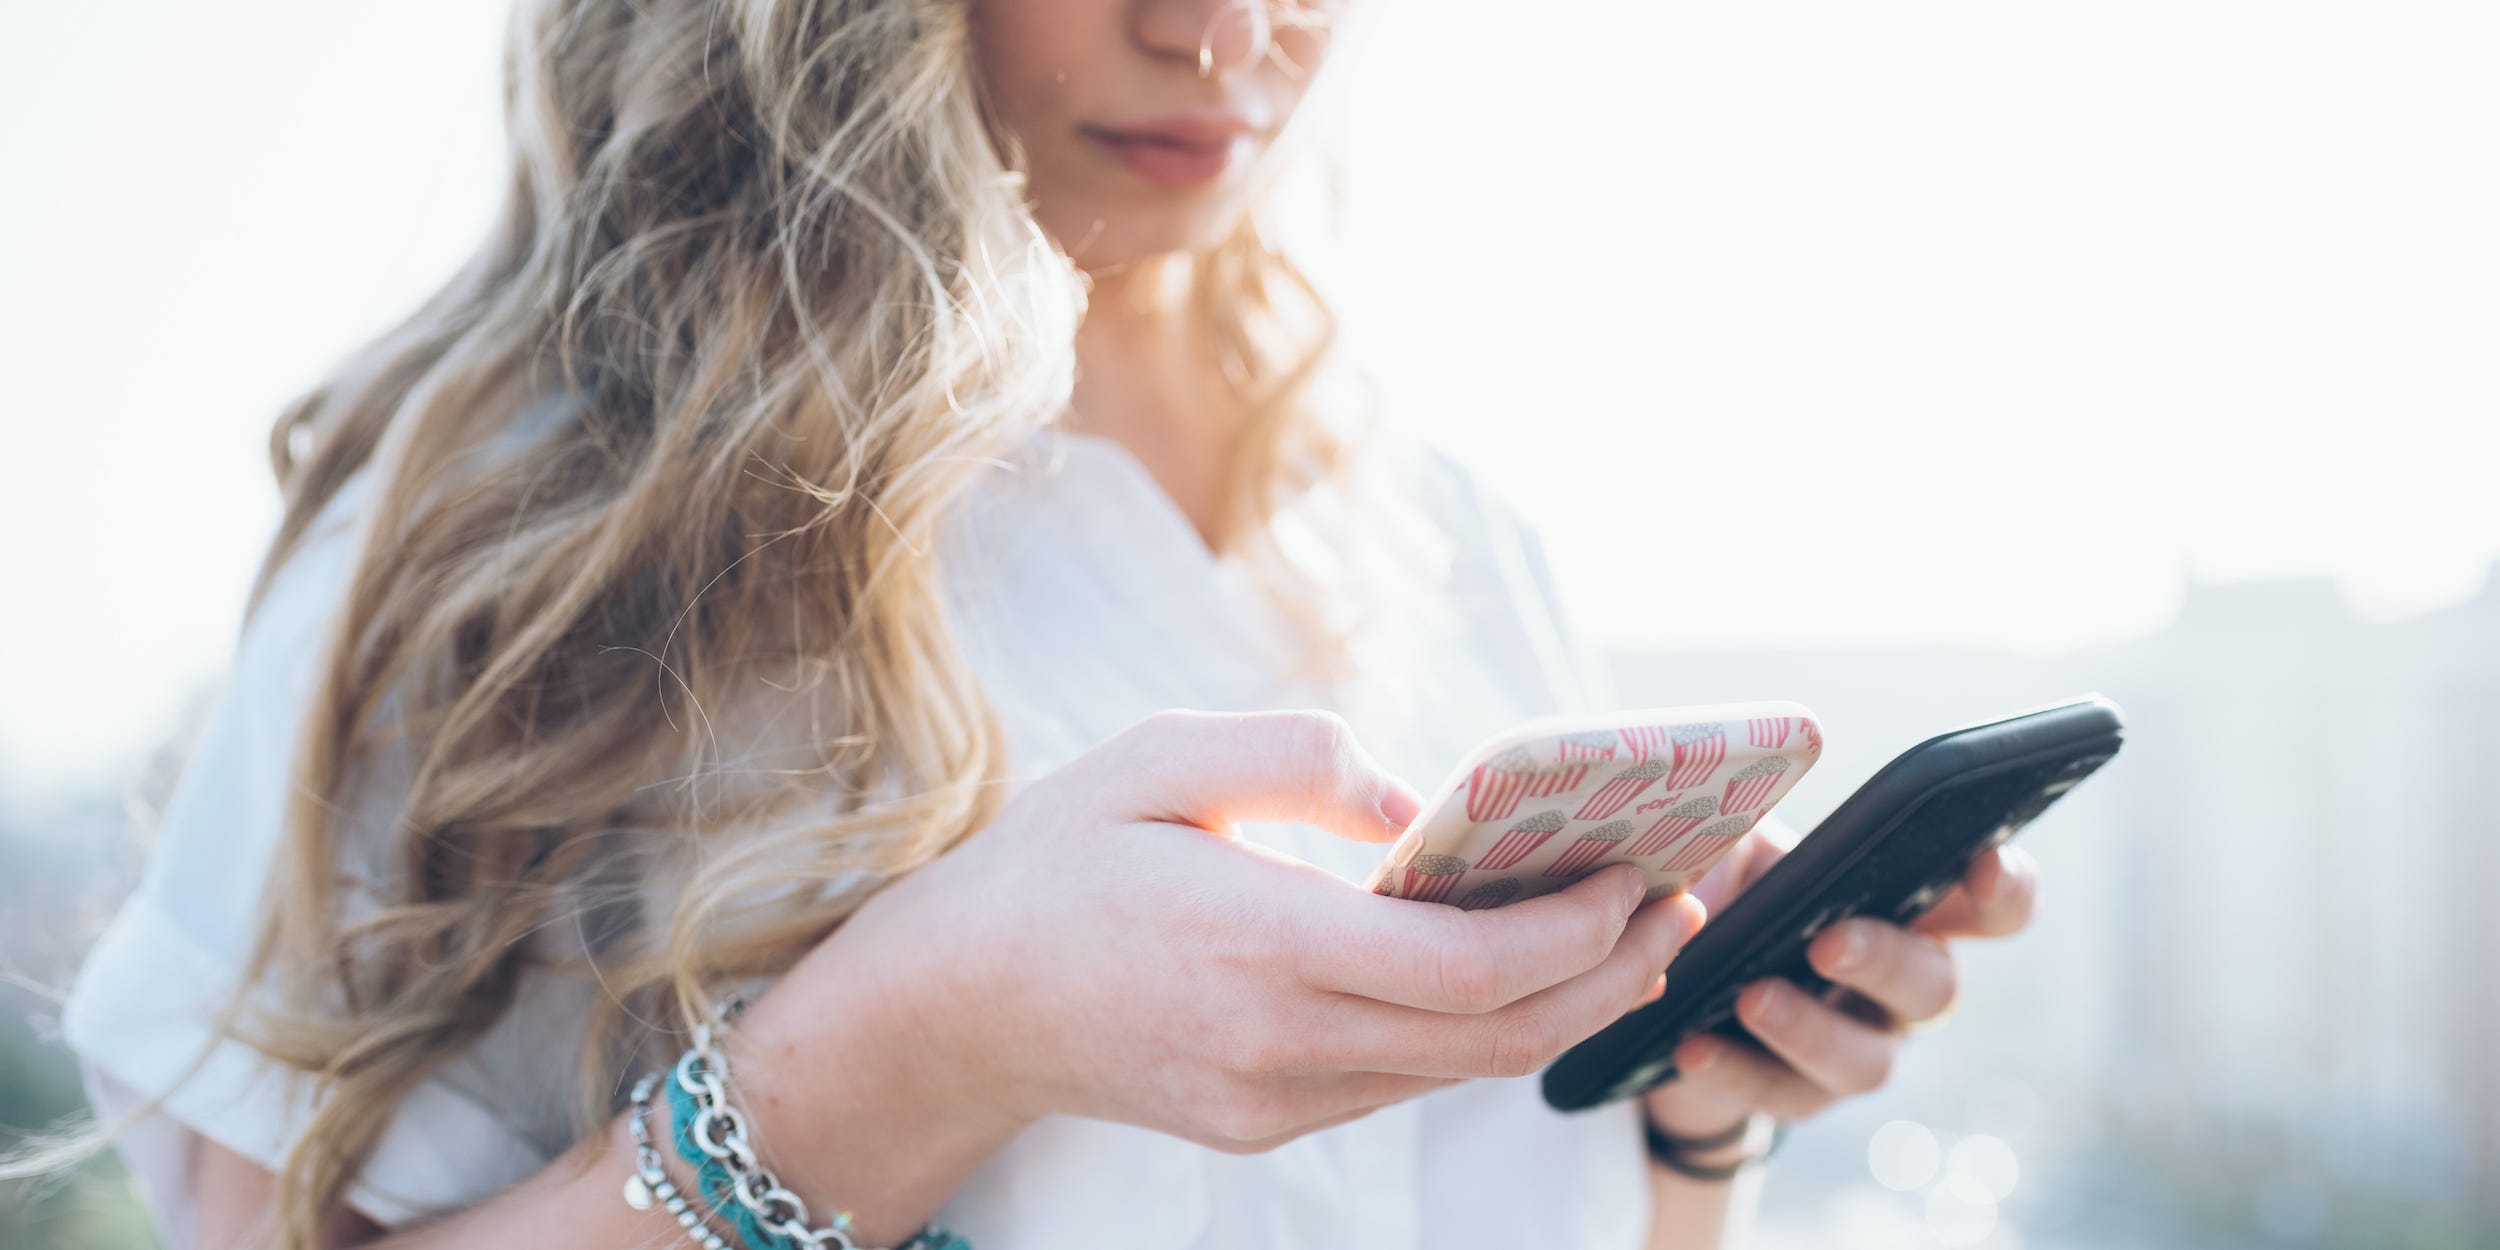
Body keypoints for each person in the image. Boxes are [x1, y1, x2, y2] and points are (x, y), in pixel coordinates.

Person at [31, 1, 2040, 1248]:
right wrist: (912, 1047)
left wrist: (1686, 1115)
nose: (1231, 27)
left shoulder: (1440, 535)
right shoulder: (522, 531)